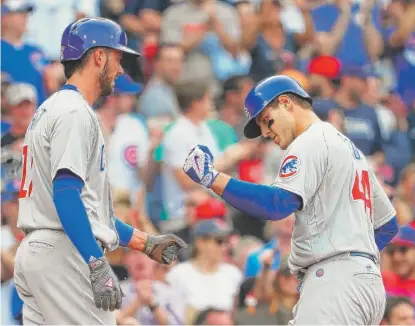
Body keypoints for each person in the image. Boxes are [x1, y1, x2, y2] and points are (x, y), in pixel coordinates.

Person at [183, 75, 399, 324]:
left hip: (334, 282)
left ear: (286, 103)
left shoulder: (310, 140)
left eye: (266, 120)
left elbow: (276, 204)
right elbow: (388, 225)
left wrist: (211, 178)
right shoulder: (350, 149)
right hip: (366, 283)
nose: (265, 132)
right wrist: (356, 257)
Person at [13, 17, 186, 325]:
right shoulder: (76, 113)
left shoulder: (50, 109)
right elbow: (66, 196)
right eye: (118, 58)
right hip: (64, 252)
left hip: (39, 250)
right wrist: (95, 261)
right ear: (99, 56)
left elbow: (91, 215)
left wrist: (146, 243)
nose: (121, 70)